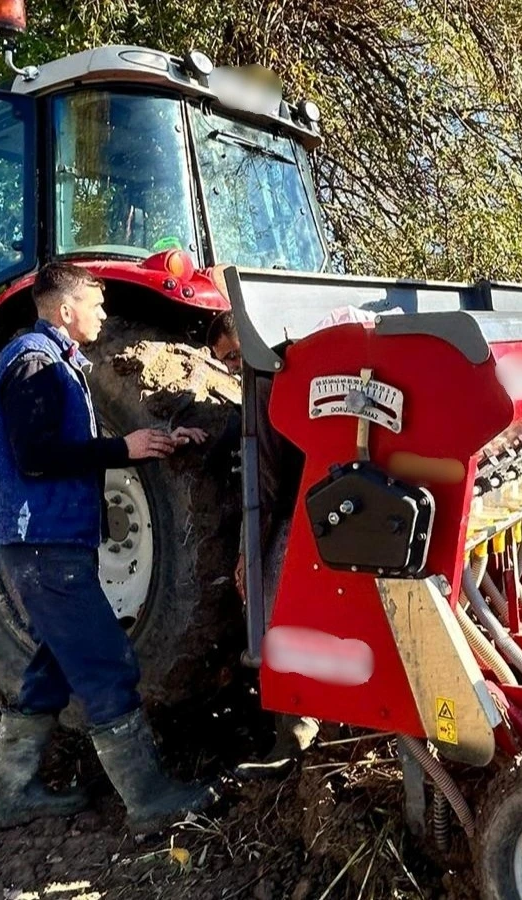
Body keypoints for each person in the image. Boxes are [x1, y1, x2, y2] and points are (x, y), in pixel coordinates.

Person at [0, 262, 214, 832]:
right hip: (39, 542)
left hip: (49, 540)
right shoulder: (34, 362)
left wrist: (143, 444)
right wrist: (117, 447)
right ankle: (149, 799)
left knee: (55, 661)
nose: (102, 313)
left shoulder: (57, 363)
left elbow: (70, 446)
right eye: (95, 303)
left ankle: (15, 791)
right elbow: (36, 459)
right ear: (64, 309)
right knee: (106, 662)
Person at [205, 311, 319, 778]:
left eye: (233, 354)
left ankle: (293, 733)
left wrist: (246, 557)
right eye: (224, 360)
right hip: (326, 506)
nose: (233, 366)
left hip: (294, 517)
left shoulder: (262, 385)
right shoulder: (299, 363)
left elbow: (264, 488)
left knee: (270, 613)